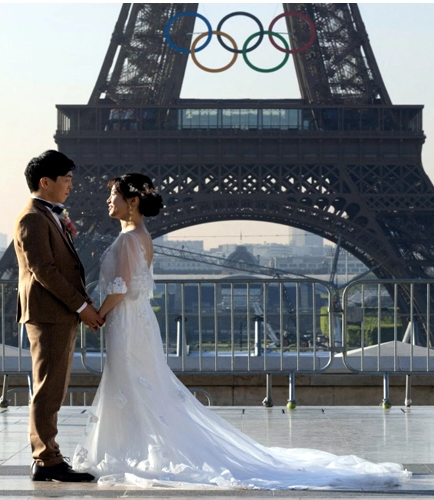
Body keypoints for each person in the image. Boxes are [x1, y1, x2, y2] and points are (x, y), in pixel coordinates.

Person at [72, 174, 409, 489]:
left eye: (113, 195)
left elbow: (123, 284)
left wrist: (98, 312)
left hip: (126, 320)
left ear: (132, 201)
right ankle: (135, 448)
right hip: (134, 319)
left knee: (129, 383)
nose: (108, 201)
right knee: (136, 385)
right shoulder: (138, 236)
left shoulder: (131, 237)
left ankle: (128, 449)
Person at [14, 150, 103, 482]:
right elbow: (45, 271)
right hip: (50, 313)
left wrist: (81, 302)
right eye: (66, 180)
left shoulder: (47, 214)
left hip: (59, 311)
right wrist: (82, 307)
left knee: (53, 385)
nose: (71, 186)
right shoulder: (33, 218)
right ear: (45, 182)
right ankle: (46, 458)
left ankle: (47, 456)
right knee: (49, 386)